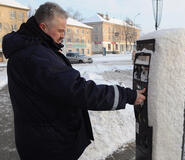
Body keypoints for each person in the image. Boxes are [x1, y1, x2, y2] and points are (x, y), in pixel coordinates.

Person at [2, 2, 145, 160]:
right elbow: (78, 90)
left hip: (38, 139)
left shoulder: (30, 50)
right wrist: (128, 96)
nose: (63, 35)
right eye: (60, 30)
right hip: (49, 146)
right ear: (43, 27)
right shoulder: (36, 56)